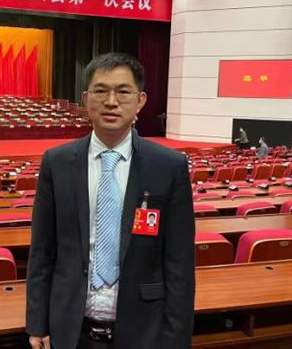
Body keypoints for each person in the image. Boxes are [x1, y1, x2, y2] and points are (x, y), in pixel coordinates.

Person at [26, 53, 195, 349]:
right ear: (86, 99)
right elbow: (42, 251)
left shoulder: (169, 166)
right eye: (101, 91)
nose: (111, 102)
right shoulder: (57, 162)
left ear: (140, 101)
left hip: (144, 331)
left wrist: (177, 340)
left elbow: (179, 263)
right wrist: (37, 323)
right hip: (70, 329)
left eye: (123, 91)